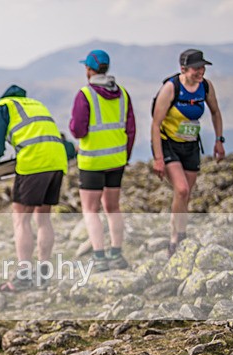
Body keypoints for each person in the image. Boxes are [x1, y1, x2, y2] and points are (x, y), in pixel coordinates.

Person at [0, 86, 69, 291]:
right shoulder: (32, 104)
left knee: (21, 219)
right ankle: (43, 275)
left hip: (34, 162)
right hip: (57, 160)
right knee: (43, 218)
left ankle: (23, 277)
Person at [151, 49, 224, 257]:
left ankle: (178, 230)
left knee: (185, 195)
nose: (200, 72)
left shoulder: (206, 87)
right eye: (196, 68)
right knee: (181, 189)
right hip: (169, 144)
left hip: (191, 145)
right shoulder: (171, 88)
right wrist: (158, 158)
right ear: (183, 69)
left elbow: (215, 112)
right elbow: (155, 124)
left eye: (203, 67)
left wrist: (219, 140)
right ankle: (176, 238)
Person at [69, 49, 135, 272]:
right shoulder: (123, 94)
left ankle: (99, 257)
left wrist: (72, 126)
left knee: (90, 210)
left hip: (92, 161)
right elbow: (131, 129)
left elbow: (78, 130)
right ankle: (116, 254)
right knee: (113, 208)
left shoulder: (85, 95)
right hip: (116, 160)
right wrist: (125, 156)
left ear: (88, 69)